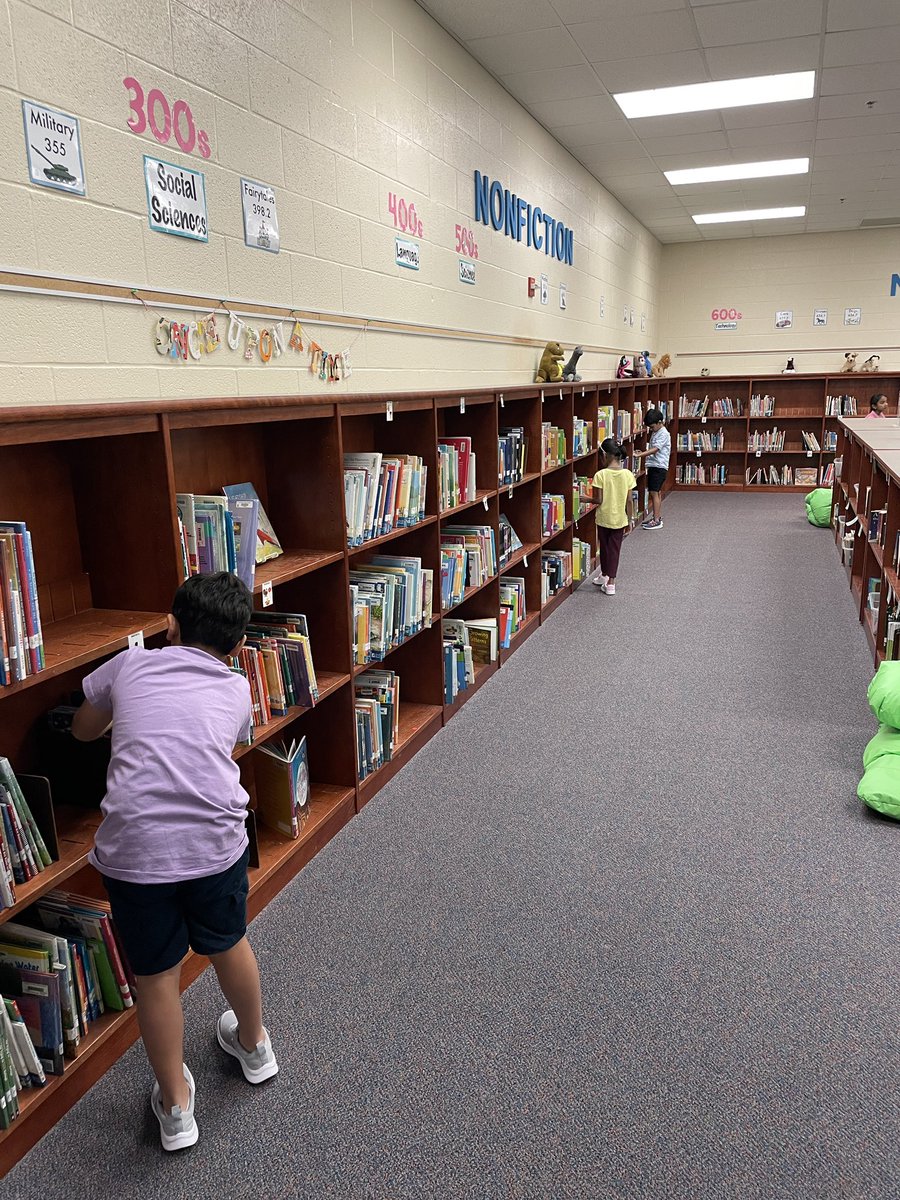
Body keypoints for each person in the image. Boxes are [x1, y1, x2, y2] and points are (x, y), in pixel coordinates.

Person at [72, 573, 278, 1152]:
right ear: (238, 648)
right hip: (215, 847)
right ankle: (255, 1044)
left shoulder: (131, 664)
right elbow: (221, 742)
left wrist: (120, 717)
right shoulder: (238, 688)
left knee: (157, 976)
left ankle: (176, 1106)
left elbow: (85, 730)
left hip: (135, 857)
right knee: (228, 941)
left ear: (170, 625)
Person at [591, 437, 636, 596]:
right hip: (620, 520)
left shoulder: (600, 475)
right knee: (614, 550)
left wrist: (584, 499)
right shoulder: (628, 474)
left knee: (603, 547)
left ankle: (607, 578)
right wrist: (630, 519)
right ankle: (609, 580)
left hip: (603, 518)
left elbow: (599, 500)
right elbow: (629, 501)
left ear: (606, 456)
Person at [635, 408, 670, 528]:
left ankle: (656, 520)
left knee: (654, 493)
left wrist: (641, 455)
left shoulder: (664, 433)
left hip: (658, 467)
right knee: (656, 492)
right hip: (655, 465)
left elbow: (656, 449)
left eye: (652, 426)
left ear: (660, 422)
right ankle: (657, 516)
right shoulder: (657, 432)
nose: (651, 429)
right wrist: (643, 452)